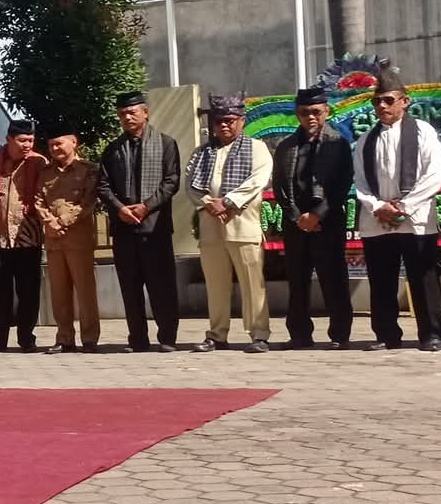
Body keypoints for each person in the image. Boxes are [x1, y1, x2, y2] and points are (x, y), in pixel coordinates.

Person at [353, 71, 441, 351]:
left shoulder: (423, 132)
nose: (381, 106)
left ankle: (432, 333)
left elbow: (433, 175)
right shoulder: (365, 140)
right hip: (378, 219)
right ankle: (386, 334)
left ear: (405, 101)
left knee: (423, 277)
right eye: (377, 102)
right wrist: (379, 207)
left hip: (415, 217)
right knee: (381, 278)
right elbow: (359, 180)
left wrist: (403, 207)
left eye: (388, 100)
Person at [188, 93, 274, 352]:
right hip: (211, 228)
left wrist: (226, 202)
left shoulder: (256, 148)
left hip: (243, 225)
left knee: (252, 284)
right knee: (215, 285)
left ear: (242, 121)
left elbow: (257, 180)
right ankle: (216, 334)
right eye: (218, 121)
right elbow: (189, 185)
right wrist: (209, 203)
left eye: (230, 120)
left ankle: (259, 334)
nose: (224, 125)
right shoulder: (201, 152)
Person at [98, 89, 182, 352]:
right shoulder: (113, 150)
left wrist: (147, 206)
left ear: (145, 112)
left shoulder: (166, 144)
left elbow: (172, 182)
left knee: (162, 285)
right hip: (124, 229)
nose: (128, 117)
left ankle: (167, 338)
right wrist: (121, 209)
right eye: (122, 114)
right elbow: (103, 186)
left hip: (155, 227)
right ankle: (138, 339)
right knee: (130, 287)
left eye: (132, 112)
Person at [272, 87, 356, 350]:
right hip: (296, 224)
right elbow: (280, 187)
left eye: (316, 112)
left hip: (327, 222)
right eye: (304, 112)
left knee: (333, 279)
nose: (310, 117)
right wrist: (297, 216)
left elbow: (343, 184)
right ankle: (299, 335)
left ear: (326, 111)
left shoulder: (337, 143)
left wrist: (318, 215)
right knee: (297, 281)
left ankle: (340, 335)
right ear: (297, 114)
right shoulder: (286, 146)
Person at [0, 120, 46, 352]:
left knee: (28, 291)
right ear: (9, 139)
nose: (27, 145)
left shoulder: (39, 162)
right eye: (22, 140)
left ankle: (27, 338)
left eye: (31, 140)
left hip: (28, 237)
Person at [38, 126, 101, 352]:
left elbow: (89, 200)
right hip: (53, 240)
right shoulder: (45, 173)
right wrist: (50, 222)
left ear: (74, 142)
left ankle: (90, 338)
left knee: (85, 290)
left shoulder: (88, 170)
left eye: (59, 144)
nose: (55, 149)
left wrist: (63, 221)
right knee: (59, 291)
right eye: (51, 145)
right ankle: (64, 338)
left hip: (78, 237)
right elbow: (38, 200)